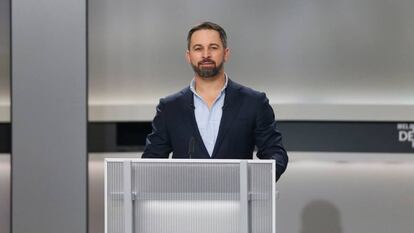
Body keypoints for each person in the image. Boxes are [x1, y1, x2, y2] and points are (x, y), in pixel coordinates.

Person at [142, 21, 288, 181]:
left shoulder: (254, 102)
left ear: (226, 53)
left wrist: (257, 183)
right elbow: (151, 160)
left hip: (238, 201)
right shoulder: (170, 108)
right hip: (186, 202)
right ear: (188, 56)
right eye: (198, 48)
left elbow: (275, 153)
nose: (206, 55)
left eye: (213, 47)